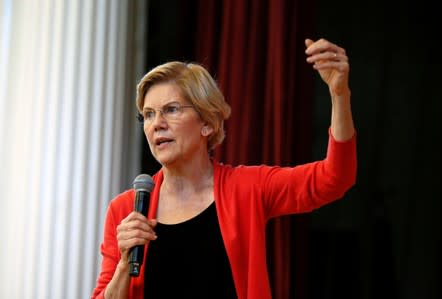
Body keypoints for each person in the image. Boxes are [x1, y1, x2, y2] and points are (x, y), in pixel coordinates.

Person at [91, 37, 357, 299]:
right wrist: (124, 266)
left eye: (171, 110)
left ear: (207, 123)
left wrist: (339, 93)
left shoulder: (247, 188)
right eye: (148, 114)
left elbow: (335, 178)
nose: (156, 123)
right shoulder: (126, 209)